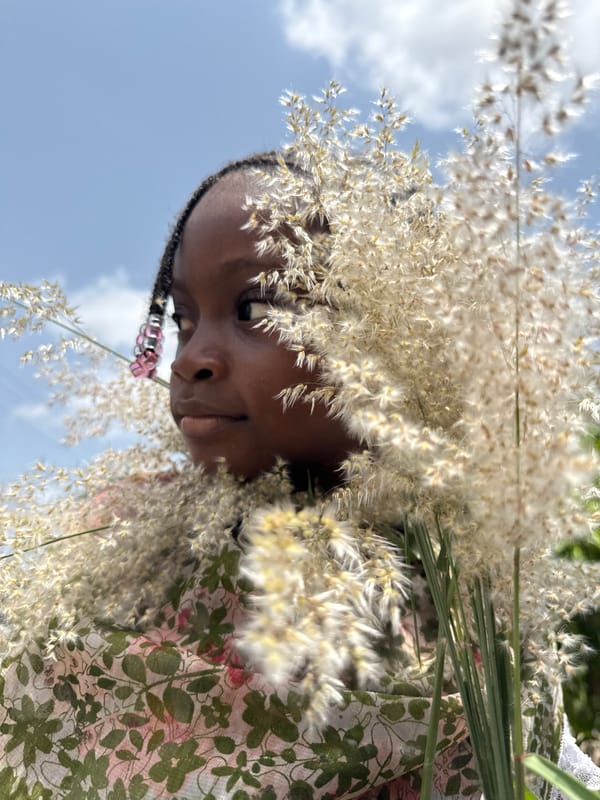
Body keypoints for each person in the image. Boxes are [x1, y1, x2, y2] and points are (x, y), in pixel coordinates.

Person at [1, 150, 598, 800]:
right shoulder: (112, 546)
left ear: (398, 336)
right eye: (182, 318)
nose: (191, 358)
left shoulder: (479, 607)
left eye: (254, 309)